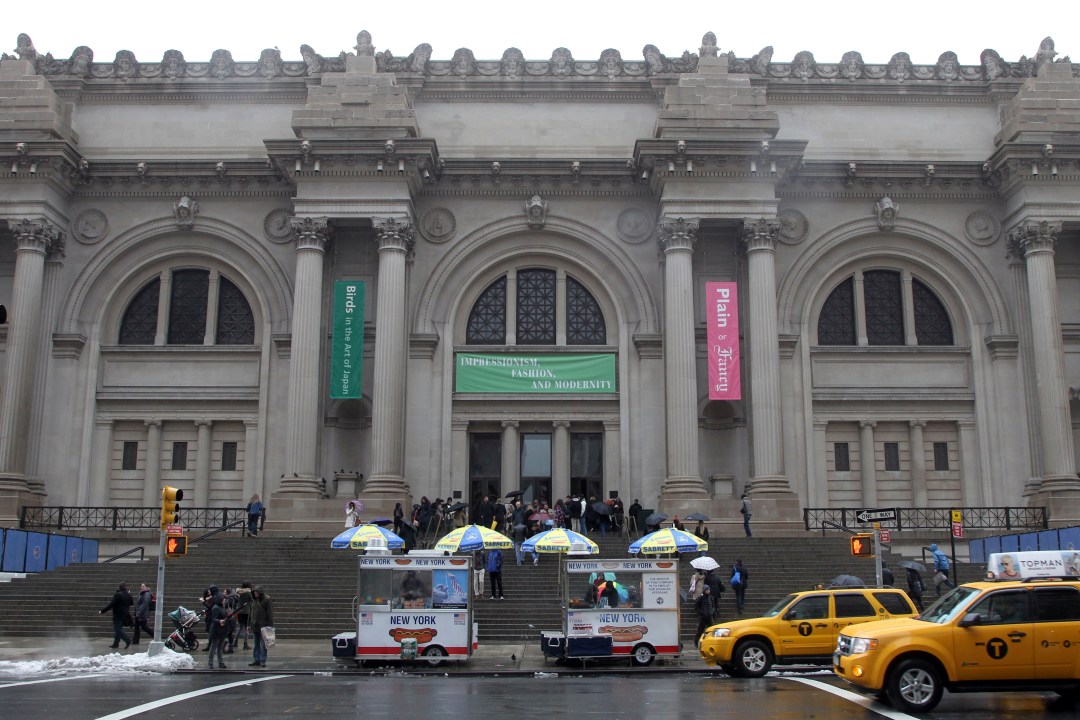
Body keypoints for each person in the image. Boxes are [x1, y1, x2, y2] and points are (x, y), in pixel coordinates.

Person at [99, 582, 133, 649]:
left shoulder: (118, 595)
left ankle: (127, 640)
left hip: (118, 614)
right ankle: (115, 644)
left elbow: (111, 604)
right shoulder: (128, 594)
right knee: (118, 629)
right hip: (125, 614)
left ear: (119, 587)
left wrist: (102, 611)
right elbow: (131, 603)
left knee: (117, 629)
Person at [248, 586, 274, 667]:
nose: (255, 593)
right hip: (255, 624)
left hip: (264, 625)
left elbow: (270, 612)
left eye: (257, 592)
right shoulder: (253, 600)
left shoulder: (267, 599)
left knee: (263, 644)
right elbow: (250, 613)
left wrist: (270, 624)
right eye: (254, 592)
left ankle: (263, 660)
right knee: (256, 644)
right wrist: (249, 624)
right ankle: (257, 659)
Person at [208, 594, 229, 670]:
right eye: (223, 600)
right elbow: (213, 619)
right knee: (213, 647)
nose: (224, 601)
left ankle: (221, 662)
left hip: (222, 629)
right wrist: (220, 621)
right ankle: (210, 663)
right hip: (216, 630)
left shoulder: (222, 607)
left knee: (220, 647)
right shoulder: (216, 608)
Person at [234, 581, 253, 650]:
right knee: (246, 628)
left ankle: (235, 642)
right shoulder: (248, 593)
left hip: (239, 611)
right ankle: (245, 644)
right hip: (246, 611)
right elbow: (252, 600)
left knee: (240, 626)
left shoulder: (239, 592)